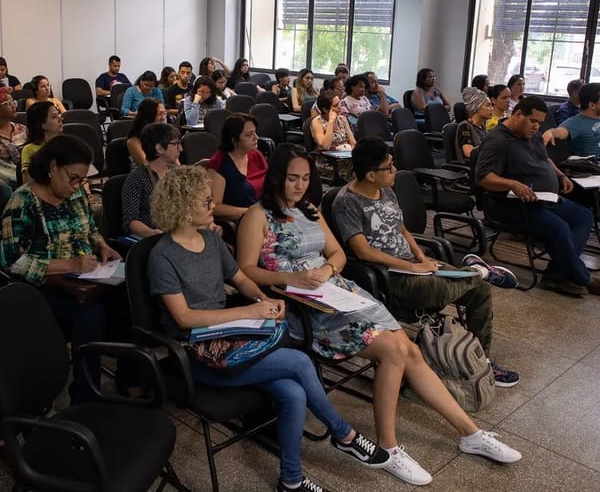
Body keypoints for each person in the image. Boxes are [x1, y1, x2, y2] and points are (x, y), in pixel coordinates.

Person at [237, 144, 522, 486]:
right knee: (393, 351)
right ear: (276, 178)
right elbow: (246, 270)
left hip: (338, 290)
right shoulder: (257, 216)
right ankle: (389, 448)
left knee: (411, 351)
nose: (299, 186)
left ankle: (470, 433)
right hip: (306, 305)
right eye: (292, 179)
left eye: (305, 179)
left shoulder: (309, 209)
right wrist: (291, 278)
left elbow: (338, 253)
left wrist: (328, 268)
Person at [148, 165, 390, 492]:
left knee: (292, 392)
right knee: (301, 363)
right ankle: (343, 434)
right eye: (205, 201)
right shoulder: (162, 256)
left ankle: (290, 480)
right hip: (194, 354)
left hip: (227, 339)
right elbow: (185, 319)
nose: (212, 206)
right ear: (183, 206)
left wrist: (263, 299)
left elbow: (241, 279)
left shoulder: (209, 239)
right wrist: (249, 311)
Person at [333, 138, 521, 386]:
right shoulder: (347, 202)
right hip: (390, 277)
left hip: (414, 265)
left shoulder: (386, 190)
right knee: (451, 287)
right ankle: (479, 272)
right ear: (370, 174)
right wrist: (413, 267)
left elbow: (401, 228)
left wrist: (420, 255)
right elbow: (364, 252)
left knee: (481, 292)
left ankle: (480, 360)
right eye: (389, 167)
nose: (394, 170)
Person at [0, 135, 125, 404]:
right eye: (73, 177)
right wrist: (69, 265)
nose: (78, 185)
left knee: (128, 296)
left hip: (84, 277)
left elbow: (89, 229)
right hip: (40, 288)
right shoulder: (22, 203)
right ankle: (86, 396)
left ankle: (130, 378)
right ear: (52, 166)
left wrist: (101, 245)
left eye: (82, 179)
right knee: (90, 313)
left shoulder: (75, 193)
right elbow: (14, 261)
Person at [477, 96, 599, 296]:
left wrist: (559, 175)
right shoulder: (497, 140)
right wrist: (513, 184)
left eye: (540, 123)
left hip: (543, 198)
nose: (536, 127)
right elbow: (483, 178)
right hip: (511, 204)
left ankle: (557, 274)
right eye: (533, 121)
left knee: (583, 217)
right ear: (517, 114)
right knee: (559, 228)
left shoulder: (532, 135)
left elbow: (544, 159)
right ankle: (583, 278)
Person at [122, 123, 181, 238]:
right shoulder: (137, 178)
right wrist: (151, 233)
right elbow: (131, 220)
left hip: (178, 232)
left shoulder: (177, 173)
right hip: (154, 235)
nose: (181, 149)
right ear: (159, 149)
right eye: (175, 144)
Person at [206, 114, 267, 221]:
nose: (256, 138)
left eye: (255, 133)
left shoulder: (256, 155)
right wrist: (250, 213)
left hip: (265, 214)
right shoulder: (219, 164)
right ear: (234, 140)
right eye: (249, 135)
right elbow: (214, 207)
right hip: (243, 220)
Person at [310, 90, 356, 182]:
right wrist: (331, 122)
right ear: (325, 109)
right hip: (329, 163)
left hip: (347, 158)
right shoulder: (317, 122)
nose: (340, 107)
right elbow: (325, 146)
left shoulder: (342, 119)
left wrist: (351, 153)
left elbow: (353, 142)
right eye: (336, 105)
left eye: (339, 103)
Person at [544, 82, 600, 157]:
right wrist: (550, 132)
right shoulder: (576, 123)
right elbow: (559, 132)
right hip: (592, 165)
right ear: (592, 105)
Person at [20, 100, 63, 182]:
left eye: (59, 114)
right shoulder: (29, 150)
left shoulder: (67, 143)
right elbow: (28, 183)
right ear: (42, 124)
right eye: (54, 117)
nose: (60, 118)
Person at [126, 97, 167, 166]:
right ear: (148, 116)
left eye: (164, 113)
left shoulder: (165, 134)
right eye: (159, 114)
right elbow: (147, 165)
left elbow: (175, 161)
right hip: (146, 175)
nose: (163, 118)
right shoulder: (133, 141)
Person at [456, 87, 492, 161]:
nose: (492, 109)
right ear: (476, 108)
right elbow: (469, 153)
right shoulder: (465, 126)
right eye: (488, 105)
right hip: (472, 168)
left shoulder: (483, 126)